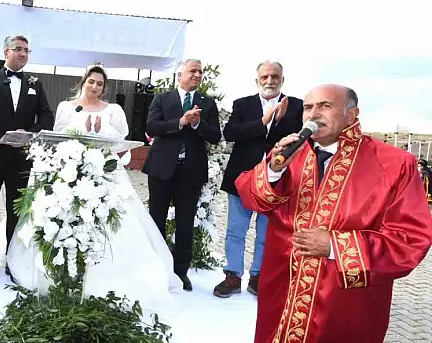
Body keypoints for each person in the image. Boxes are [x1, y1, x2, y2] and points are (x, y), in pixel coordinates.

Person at [235, 84, 432, 343]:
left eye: (325, 106)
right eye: (308, 107)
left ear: (352, 115)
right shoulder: (290, 152)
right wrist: (272, 169)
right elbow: (252, 197)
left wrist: (336, 247)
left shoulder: (394, 164)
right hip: (282, 291)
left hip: (343, 303)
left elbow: (410, 239)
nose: (313, 114)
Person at [0, 64, 183, 311]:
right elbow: (57, 137)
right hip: (69, 170)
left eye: (100, 84)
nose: (95, 86)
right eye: (91, 81)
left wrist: (102, 133)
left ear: (104, 88)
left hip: (104, 172)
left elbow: (120, 142)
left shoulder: (113, 110)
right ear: (83, 82)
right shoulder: (67, 107)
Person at [0, 35, 54, 282]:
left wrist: (29, 135)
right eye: (18, 49)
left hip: (21, 158)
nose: (23, 54)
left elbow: (47, 116)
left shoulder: (35, 84)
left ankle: (13, 261)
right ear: (6, 52)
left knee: (16, 212)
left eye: (27, 50)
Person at [214, 61, 303, 298]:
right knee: (235, 230)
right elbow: (230, 133)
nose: (269, 81)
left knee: (266, 233)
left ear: (282, 79)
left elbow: (300, 140)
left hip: (276, 181)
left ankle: (258, 276)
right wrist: (263, 122)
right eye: (264, 77)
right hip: (243, 179)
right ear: (257, 80)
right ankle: (233, 276)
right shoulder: (242, 104)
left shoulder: (296, 106)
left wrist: (280, 120)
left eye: (274, 76)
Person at [142, 59, 222, 291]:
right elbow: (151, 127)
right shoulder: (162, 98)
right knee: (156, 219)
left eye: (200, 71)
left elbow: (215, 136)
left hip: (191, 172)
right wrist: (180, 121)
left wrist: (197, 124)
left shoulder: (207, 103)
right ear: (180, 75)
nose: (197, 74)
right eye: (192, 71)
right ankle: (156, 268)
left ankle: (180, 272)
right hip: (161, 169)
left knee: (185, 223)